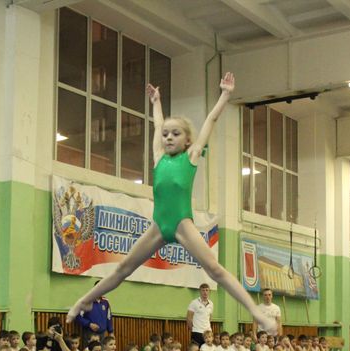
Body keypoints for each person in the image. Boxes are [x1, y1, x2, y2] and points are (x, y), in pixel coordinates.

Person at [67, 73, 274, 335]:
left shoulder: (191, 156)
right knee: (123, 268)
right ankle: (83, 300)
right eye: (166, 134)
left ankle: (257, 313)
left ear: (187, 140)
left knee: (214, 269)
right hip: (159, 225)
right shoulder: (159, 158)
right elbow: (157, 126)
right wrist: (156, 101)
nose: (168, 137)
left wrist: (225, 94)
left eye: (175, 134)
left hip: (181, 223)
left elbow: (211, 120)